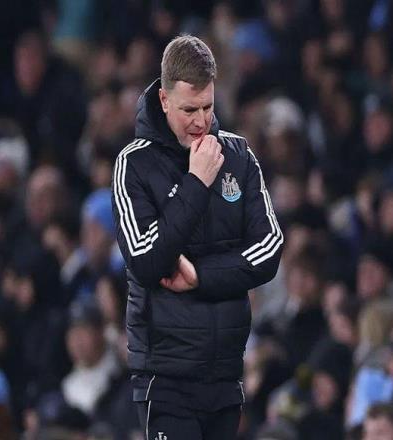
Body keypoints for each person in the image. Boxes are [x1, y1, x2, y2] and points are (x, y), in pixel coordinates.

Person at [111, 35, 283, 439]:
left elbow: (269, 249)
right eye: (189, 109)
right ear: (164, 99)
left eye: (207, 106)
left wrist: (200, 276)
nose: (201, 121)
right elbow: (147, 259)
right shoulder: (133, 164)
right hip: (165, 377)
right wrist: (196, 181)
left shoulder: (238, 156)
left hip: (226, 374)